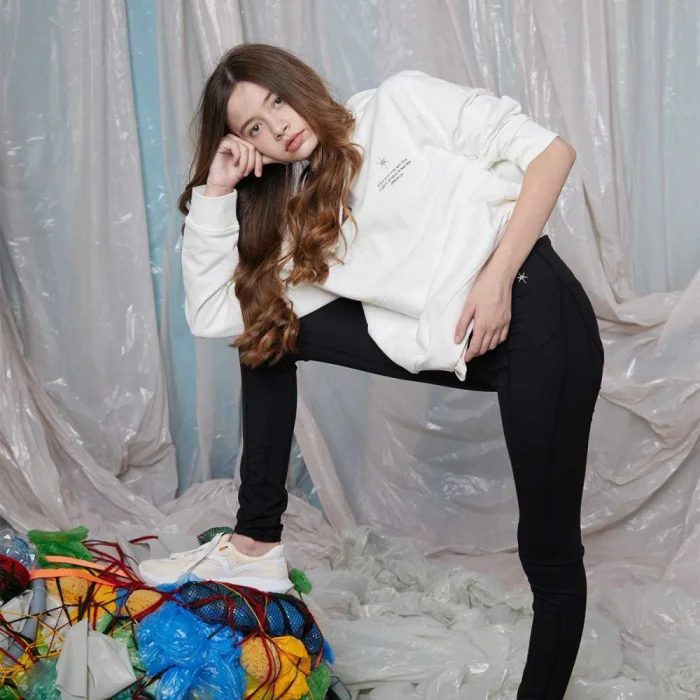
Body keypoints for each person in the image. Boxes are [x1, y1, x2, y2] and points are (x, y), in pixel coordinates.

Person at [139, 43, 604, 699]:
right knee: (266, 331)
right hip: (456, 340)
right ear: (250, 148)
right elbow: (215, 314)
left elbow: (551, 153)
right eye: (254, 128)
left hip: (536, 313)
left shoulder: (398, 104)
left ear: (296, 83)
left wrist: (498, 277)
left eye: (277, 101)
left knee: (546, 548)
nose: (279, 127)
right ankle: (256, 544)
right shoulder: (300, 217)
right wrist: (216, 192)